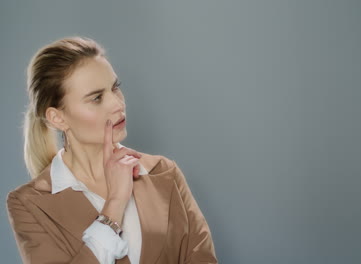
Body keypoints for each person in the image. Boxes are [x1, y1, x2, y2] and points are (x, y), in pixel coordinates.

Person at [5, 36, 218, 264]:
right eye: (96, 98)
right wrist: (115, 204)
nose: (118, 104)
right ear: (58, 118)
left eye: (115, 88)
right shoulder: (29, 204)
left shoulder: (163, 173)